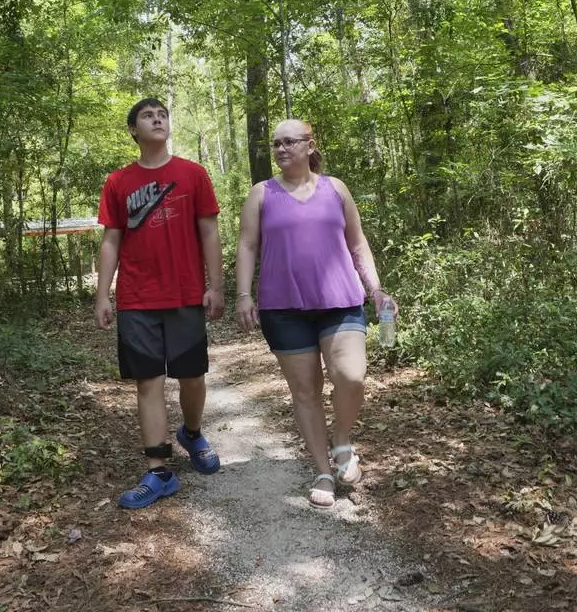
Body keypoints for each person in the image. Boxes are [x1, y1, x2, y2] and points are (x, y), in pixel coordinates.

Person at [235, 119, 395, 508]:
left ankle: (341, 442)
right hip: (283, 307)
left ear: (310, 145)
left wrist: (375, 288)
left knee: (351, 376)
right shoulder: (261, 193)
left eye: (289, 142)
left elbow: (357, 242)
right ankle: (323, 470)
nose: (280, 149)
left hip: (341, 301)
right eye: (275, 143)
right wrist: (243, 295)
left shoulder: (335, 188)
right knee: (305, 392)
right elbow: (247, 245)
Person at [96, 98, 226, 509]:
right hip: (137, 297)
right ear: (133, 130)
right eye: (148, 116)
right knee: (148, 380)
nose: (157, 119)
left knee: (192, 376)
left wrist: (217, 286)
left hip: (186, 292)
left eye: (162, 115)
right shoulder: (118, 182)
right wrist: (103, 294)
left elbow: (209, 232)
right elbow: (111, 240)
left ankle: (192, 432)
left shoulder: (193, 174)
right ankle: (159, 472)